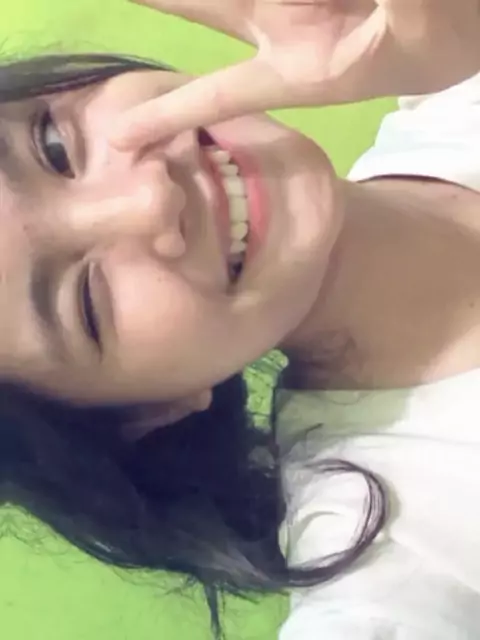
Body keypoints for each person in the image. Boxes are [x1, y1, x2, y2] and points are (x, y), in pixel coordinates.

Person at [0, 0, 480, 637]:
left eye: (53, 145)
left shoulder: (453, 67)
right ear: (149, 411)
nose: (150, 201)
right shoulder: (401, 567)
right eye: (86, 303)